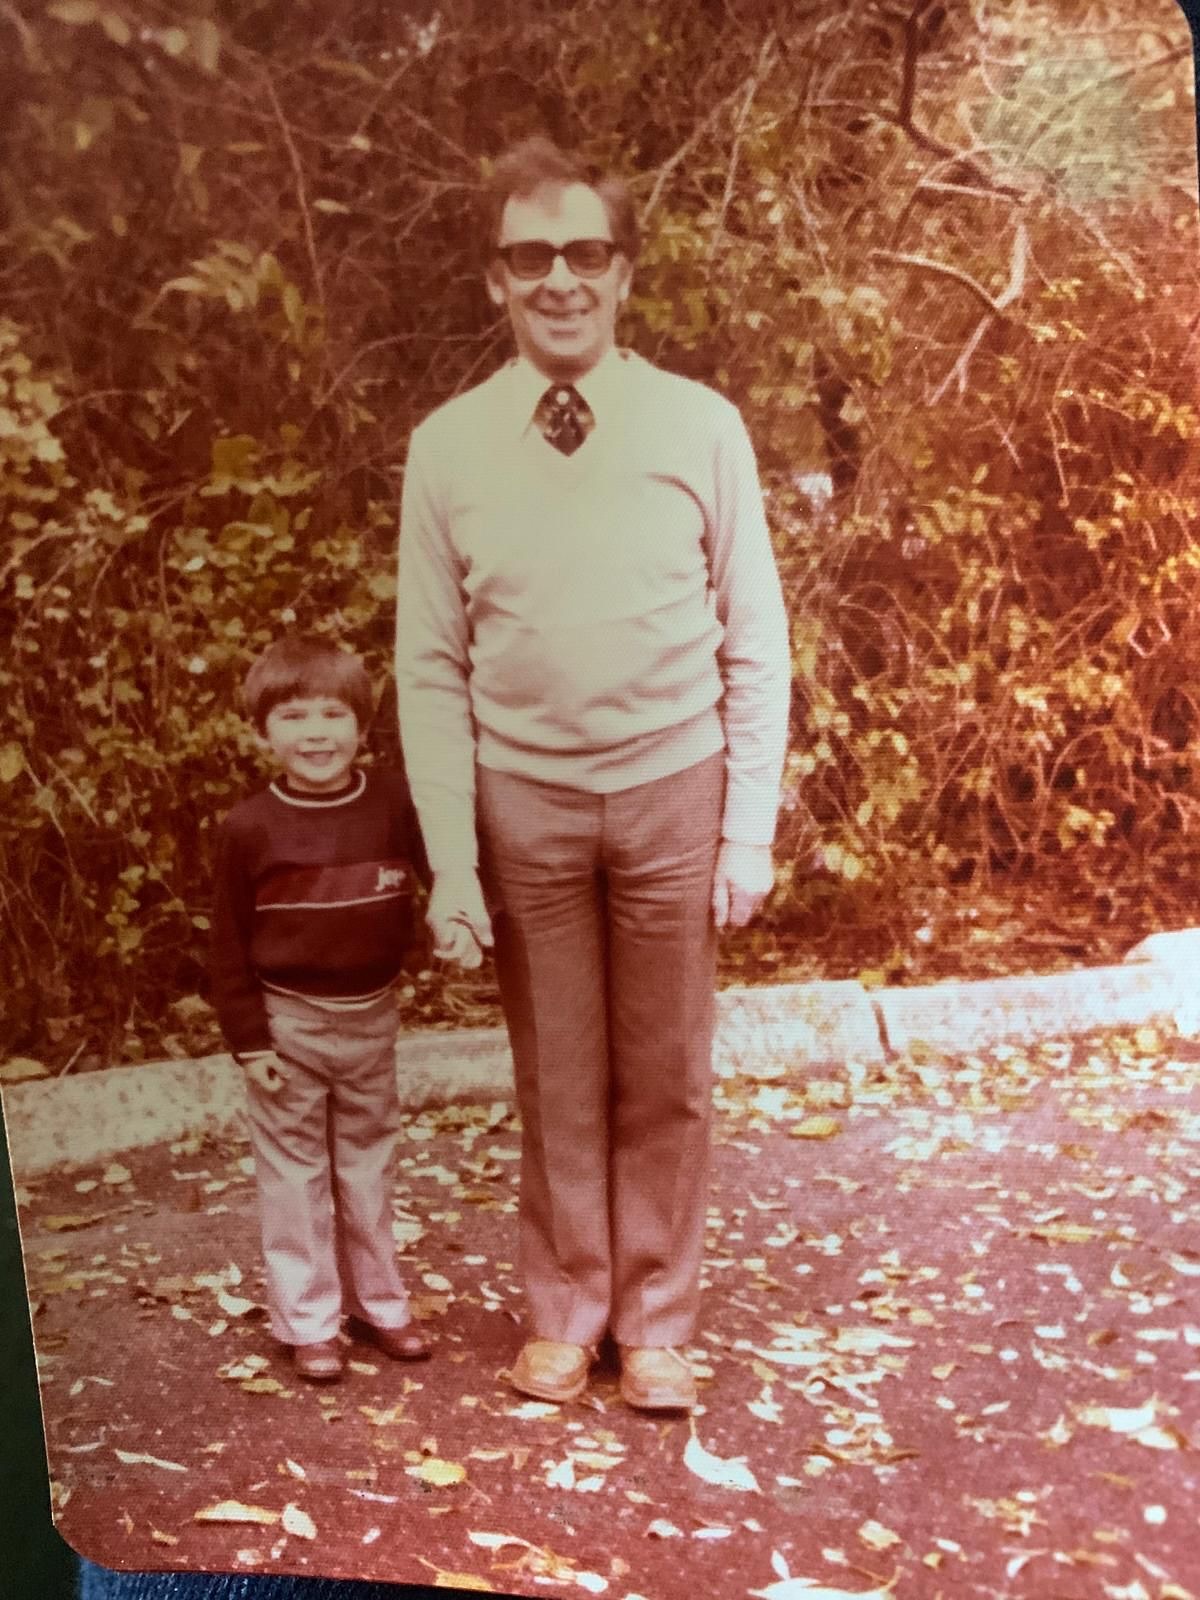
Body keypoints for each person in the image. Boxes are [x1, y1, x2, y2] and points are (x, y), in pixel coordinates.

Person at [395, 137, 790, 1413]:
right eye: (530, 256)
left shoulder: (699, 424)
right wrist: (454, 859)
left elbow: (756, 635)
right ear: (494, 279)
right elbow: (429, 665)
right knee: (557, 1069)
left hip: (675, 782)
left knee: (667, 1068)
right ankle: (568, 1306)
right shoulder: (449, 446)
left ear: (623, 274)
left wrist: (746, 830)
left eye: (584, 253)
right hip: (526, 800)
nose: (558, 279)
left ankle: (657, 1319)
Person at [209, 638, 433, 1383]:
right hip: (288, 1026)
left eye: (334, 714)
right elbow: (227, 945)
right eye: (293, 715)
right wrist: (249, 1041)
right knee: (295, 1176)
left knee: (369, 1167)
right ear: (262, 731)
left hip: (373, 1019)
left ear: (363, 726)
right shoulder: (249, 828)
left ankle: (379, 1304)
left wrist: (457, 924)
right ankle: (307, 1322)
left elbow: (436, 880)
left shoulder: (394, 802)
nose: (315, 733)